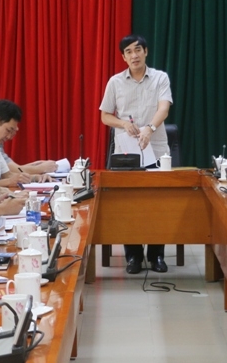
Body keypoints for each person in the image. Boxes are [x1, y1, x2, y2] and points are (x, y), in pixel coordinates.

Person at [100, 34, 173, 274]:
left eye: (138, 50)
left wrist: (149, 128)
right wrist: (122, 123)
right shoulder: (115, 82)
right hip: (126, 151)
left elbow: (164, 108)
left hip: (157, 148)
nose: (134, 55)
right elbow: (105, 116)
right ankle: (133, 256)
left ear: (146, 52)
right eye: (129, 52)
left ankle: (156, 256)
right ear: (123, 57)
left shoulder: (160, 78)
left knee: (158, 204)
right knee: (128, 204)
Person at [0, 99, 57, 178]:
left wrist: (35, 171)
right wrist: (41, 168)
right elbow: (14, 170)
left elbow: (12, 171)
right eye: (8, 130)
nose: (9, 137)